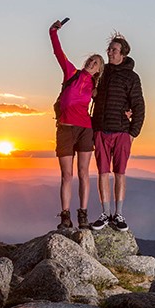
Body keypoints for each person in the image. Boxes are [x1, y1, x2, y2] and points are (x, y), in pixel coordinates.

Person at [49, 19, 104, 230]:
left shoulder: (96, 87)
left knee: (83, 173)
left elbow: (112, 101)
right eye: (91, 59)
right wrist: (53, 31)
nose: (92, 63)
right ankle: (65, 217)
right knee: (67, 175)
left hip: (85, 129)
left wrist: (128, 111)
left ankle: (82, 215)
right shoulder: (71, 73)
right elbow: (58, 52)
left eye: (96, 62)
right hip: (65, 127)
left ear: (99, 70)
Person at [89, 32, 145, 232]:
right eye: (109, 50)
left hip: (121, 132)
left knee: (119, 173)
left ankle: (118, 214)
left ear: (123, 53)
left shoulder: (131, 77)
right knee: (103, 172)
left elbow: (139, 106)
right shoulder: (101, 74)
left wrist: (132, 133)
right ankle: (105, 214)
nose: (110, 53)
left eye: (114, 50)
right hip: (101, 130)